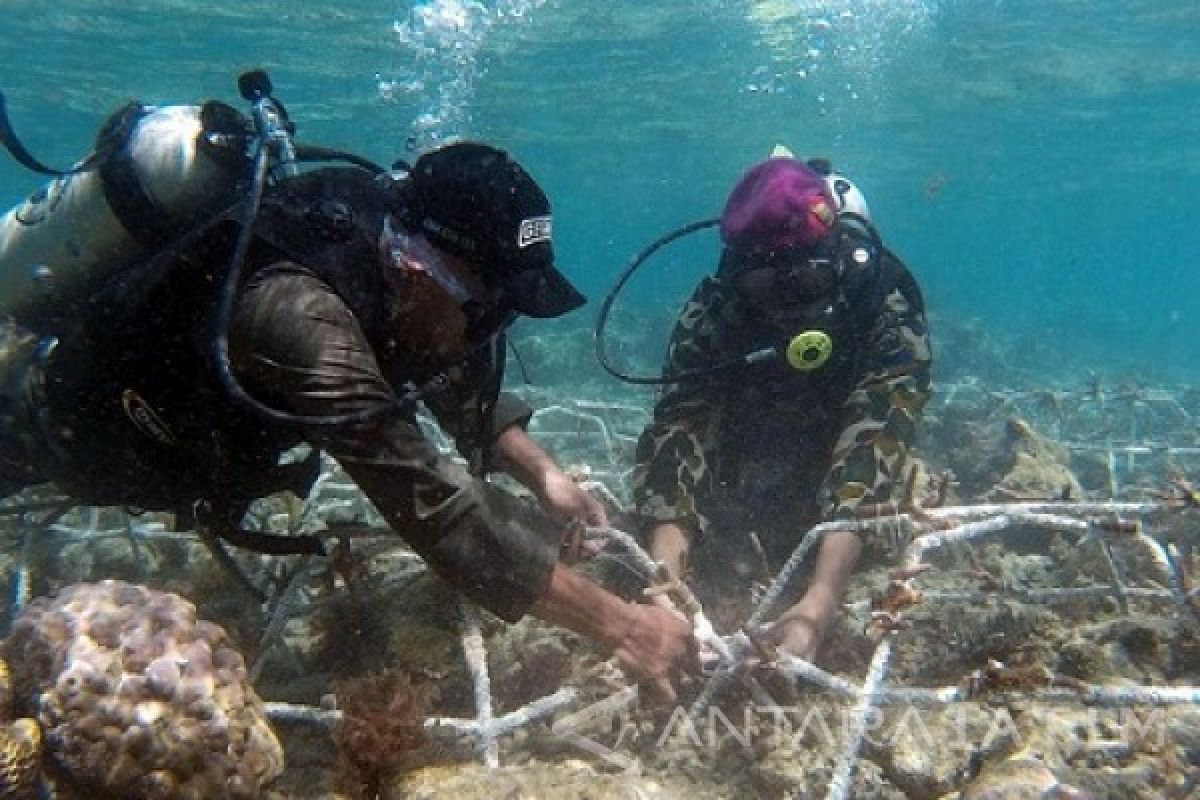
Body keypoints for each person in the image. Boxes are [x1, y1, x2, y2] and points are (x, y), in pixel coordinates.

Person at [0, 140, 694, 698]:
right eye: (486, 309)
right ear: (418, 267)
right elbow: (430, 507)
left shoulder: (410, 277)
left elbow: (455, 377)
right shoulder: (299, 317)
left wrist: (544, 476)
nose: (493, 331)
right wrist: (621, 624)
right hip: (70, 431)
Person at [631, 155, 932, 660]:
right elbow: (678, 429)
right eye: (766, 287)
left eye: (806, 283)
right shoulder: (717, 309)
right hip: (747, 466)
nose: (789, 306)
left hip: (835, 468)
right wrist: (668, 593)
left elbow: (876, 438)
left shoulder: (882, 303)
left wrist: (818, 605)